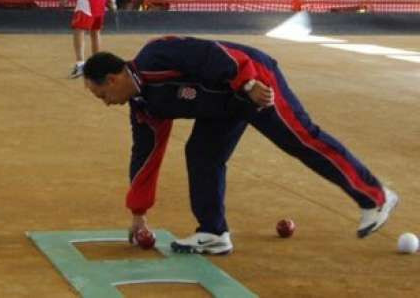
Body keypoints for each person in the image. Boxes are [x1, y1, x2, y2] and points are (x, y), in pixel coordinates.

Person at [79, 38, 397, 255]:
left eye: (102, 95)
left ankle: (375, 196)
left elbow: (212, 54)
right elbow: (146, 156)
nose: (106, 103)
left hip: (253, 83)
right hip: (221, 108)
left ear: (113, 79)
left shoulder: (155, 55)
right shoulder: (144, 107)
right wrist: (138, 212)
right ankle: (214, 233)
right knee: (202, 155)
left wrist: (248, 82)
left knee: (301, 138)